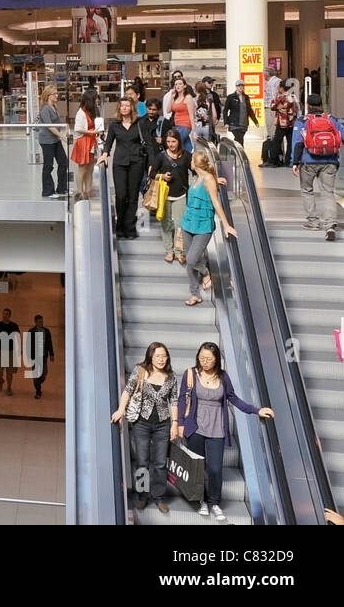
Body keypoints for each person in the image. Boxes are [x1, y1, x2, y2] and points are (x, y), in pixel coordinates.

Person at [177, 342, 274, 523]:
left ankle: (214, 502)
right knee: (197, 467)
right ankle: (200, 500)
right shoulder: (190, 374)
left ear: (216, 360)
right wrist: (180, 423)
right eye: (202, 358)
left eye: (209, 359)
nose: (204, 362)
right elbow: (182, 399)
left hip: (217, 428)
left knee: (215, 469)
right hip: (195, 428)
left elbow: (233, 399)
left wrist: (256, 410)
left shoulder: (223, 377)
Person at [110, 342, 179, 515]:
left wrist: (175, 423)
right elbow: (128, 391)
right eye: (157, 356)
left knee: (161, 463)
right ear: (150, 356)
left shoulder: (171, 377)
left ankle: (159, 497)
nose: (161, 359)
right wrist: (121, 410)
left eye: (164, 356)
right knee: (142, 461)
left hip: (163, 423)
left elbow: (174, 401)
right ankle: (142, 496)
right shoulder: (140, 371)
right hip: (141, 422)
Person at [179, 149, 236, 307]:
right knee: (190, 261)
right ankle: (194, 294)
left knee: (192, 259)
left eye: (192, 159)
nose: (190, 162)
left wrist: (226, 225)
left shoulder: (209, 179)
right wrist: (216, 180)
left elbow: (216, 203)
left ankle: (206, 273)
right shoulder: (197, 177)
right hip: (188, 222)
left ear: (196, 164)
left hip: (203, 225)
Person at [290, 93, 343, 241]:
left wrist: (294, 163)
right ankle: (330, 225)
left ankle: (313, 222)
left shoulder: (302, 121)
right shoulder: (332, 119)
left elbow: (297, 143)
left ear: (307, 105)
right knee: (328, 192)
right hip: (330, 161)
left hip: (308, 161)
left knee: (307, 190)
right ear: (321, 105)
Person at [99, 97, 148, 239]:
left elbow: (148, 143)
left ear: (132, 108)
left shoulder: (139, 123)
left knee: (133, 196)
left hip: (136, 162)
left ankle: (130, 227)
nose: (125, 108)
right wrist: (105, 154)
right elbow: (108, 142)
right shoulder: (114, 125)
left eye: (127, 105)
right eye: (122, 106)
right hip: (120, 163)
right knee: (121, 195)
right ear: (119, 108)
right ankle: (119, 224)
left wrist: (151, 164)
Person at [148, 129, 192, 263]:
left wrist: (213, 179)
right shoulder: (161, 156)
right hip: (164, 195)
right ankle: (169, 251)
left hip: (181, 195)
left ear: (179, 141)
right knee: (165, 223)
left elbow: (197, 169)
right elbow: (151, 173)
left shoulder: (186, 155)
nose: (171, 144)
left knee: (180, 224)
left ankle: (179, 251)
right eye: (168, 142)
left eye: (173, 141)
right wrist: (162, 176)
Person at [36, 85, 69, 198]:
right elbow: (50, 126)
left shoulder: (54, 107)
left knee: (63, 162)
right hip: (47, 141)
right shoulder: (45, 109)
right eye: (54, 94)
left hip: (55, 139)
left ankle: (62, 188)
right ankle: (48, 191)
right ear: (49, 95)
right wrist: (62, 136)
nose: (57, 95)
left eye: (56, 93)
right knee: (48, 165)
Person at [70, 90, 101, 201]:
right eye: (96, 99)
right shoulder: (81, 112)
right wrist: (92, 132)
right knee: (83, 168)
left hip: (91, 141)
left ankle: (88, 190)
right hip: (83, 142)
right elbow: (78, 128)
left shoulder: (91, 111)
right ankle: (80, 192)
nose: (97, 100)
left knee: (90, 168)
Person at [265, 81, 297, 168]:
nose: (278, 89)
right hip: (291, 122)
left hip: (282, 123)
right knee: (290, 142)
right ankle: (288, 161)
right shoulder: (292, 96)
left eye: (279, 87)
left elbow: (273, 106)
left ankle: (273, 161)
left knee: (276, 142)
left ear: (282, 88)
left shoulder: (283, 97)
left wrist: (276, 102)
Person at [0, 308, 21, 396]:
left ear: (10, 315)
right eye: (3, 313)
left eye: (7, 314)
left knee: (9, 372)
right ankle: (1, 380)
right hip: (0, 351)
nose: (5, 315)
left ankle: (9, 387)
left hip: (11, 351)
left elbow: (18, 338)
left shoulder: (14, 326)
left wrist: (19, 349)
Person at [222, 80, 259, 148]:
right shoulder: (231, 97)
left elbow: (249, 110)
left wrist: (255, 121)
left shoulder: (246, 97)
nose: (240, 87)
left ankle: (234, 152)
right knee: (239, 140)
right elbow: (225, 110)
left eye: (242, 85)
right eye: (239, 86)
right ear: (236, 87)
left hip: (244, 123)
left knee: (239, 140)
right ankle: (240, 153)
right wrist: (226, 122)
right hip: (234, 123)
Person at [26, 314, 55, 399]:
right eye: (39, 322)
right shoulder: (31, 331)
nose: (41, 323)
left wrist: (51, 354)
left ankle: (38, 383)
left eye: (42, 322)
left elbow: (49, 343)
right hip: (34, 357)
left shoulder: (46, 331)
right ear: (35, 322)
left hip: (43, 356)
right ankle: (38, 391)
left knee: (44, 373)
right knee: (36, 375)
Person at [167, 77, 197, 152]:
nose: (178, 86)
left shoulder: (188, 97)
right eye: (176, 84)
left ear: (184, 86)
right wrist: (171, 97)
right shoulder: (176, 97)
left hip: (185, 125)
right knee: (186, 147)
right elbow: (168, 110)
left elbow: (191, 115)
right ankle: (190, 157)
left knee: (176, 144)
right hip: (177, 125)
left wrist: (194, 131)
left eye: (180, 84)